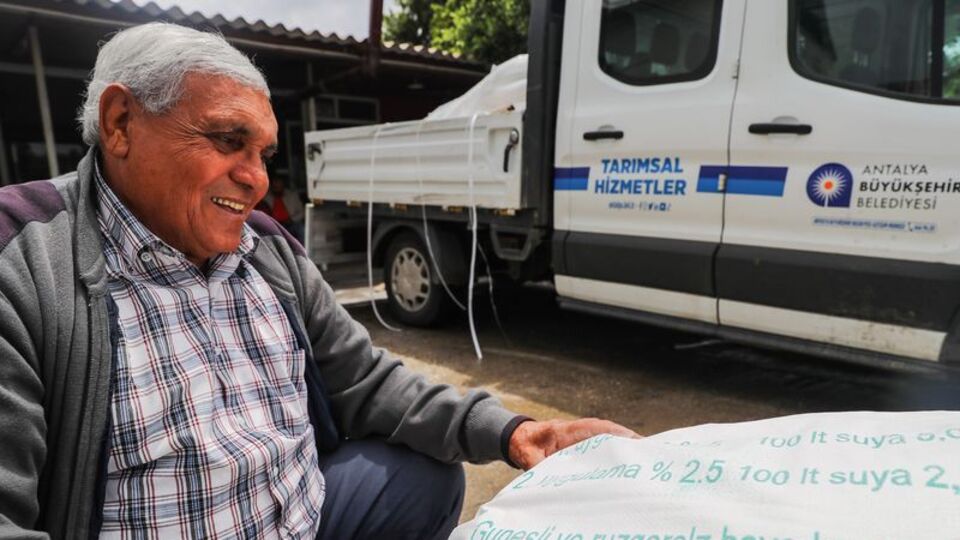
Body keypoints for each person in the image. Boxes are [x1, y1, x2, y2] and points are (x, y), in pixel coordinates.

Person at [0, 22, 637, 540]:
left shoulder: (269, 252)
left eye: (264, 154)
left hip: (301, 519)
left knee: (427, 471)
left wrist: (516, 430)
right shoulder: (23, 262)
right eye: (228, 140)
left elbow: (362, 378)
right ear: (120, 125)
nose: (255, 180)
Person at [259, 177, 306, 243]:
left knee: (301, 229)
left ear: (283, 186)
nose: (277, 188)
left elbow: (301, 212)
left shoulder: (292, 195)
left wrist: (291, 219)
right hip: (273, 225)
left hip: (290, 224)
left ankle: (303, 251)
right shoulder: (266, 197)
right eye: (275, 186)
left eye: (279, 186)